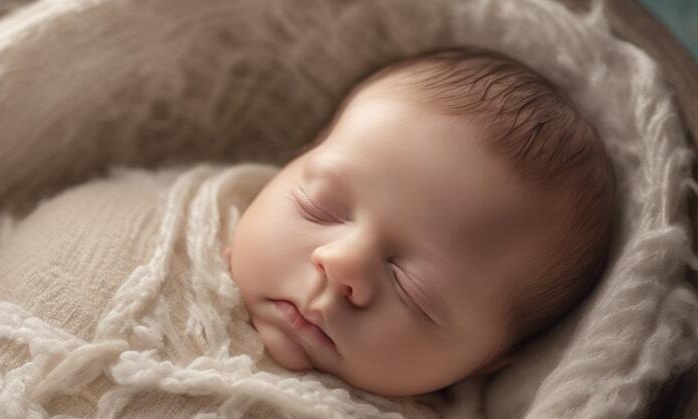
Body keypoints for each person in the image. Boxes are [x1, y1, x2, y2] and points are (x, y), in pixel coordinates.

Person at [224, 47, 617, 397]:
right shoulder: (195, 207)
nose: (341, 263)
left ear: (483, 362)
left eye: (414, 291)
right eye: (319, 206)